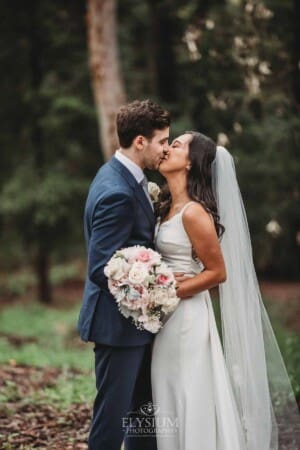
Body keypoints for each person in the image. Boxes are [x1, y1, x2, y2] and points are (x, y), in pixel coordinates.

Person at [151, 131, 300, 450]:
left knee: (188, 393)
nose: (166, 149)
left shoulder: (194, 212)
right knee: (169, 393)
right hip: (165, 318)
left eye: (175, 145)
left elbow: (218, 272)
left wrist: (172, 290)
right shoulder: (164, 206)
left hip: (186, 321)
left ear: (190, 162)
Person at [77, 99, 170, 450]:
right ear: (141, 141)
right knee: (111, 423)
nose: (165, 149)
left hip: (135, 326)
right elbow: (101, 267)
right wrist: (155, 288)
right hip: (118, 326)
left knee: (142, 419)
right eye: (162, 141)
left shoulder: (124, 177)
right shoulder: (117, 190)